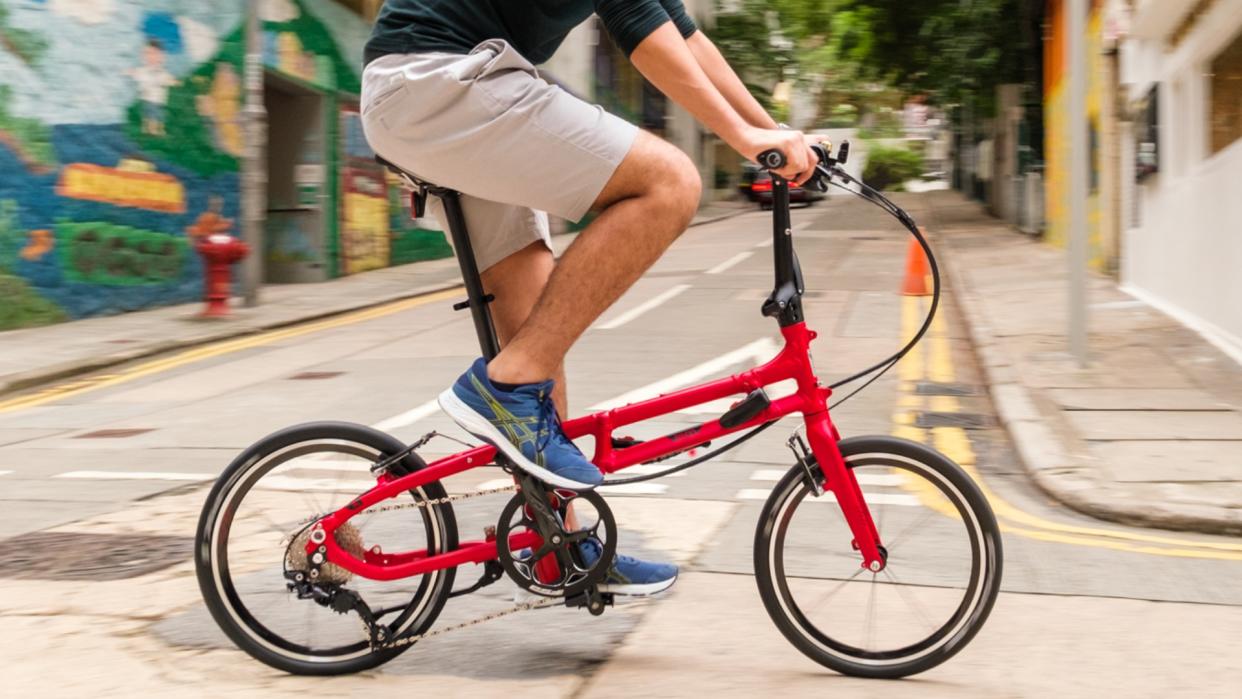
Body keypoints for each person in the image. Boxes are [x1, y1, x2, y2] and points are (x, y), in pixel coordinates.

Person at [361, 0, 821, 597]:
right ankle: (499, 388)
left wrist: (774, 135)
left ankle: (561, 544)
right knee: (671, 183)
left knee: (534, 334)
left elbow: (685, 37)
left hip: (455, 90)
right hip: (439, 82)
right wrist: (744, 137)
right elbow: (641, 31)